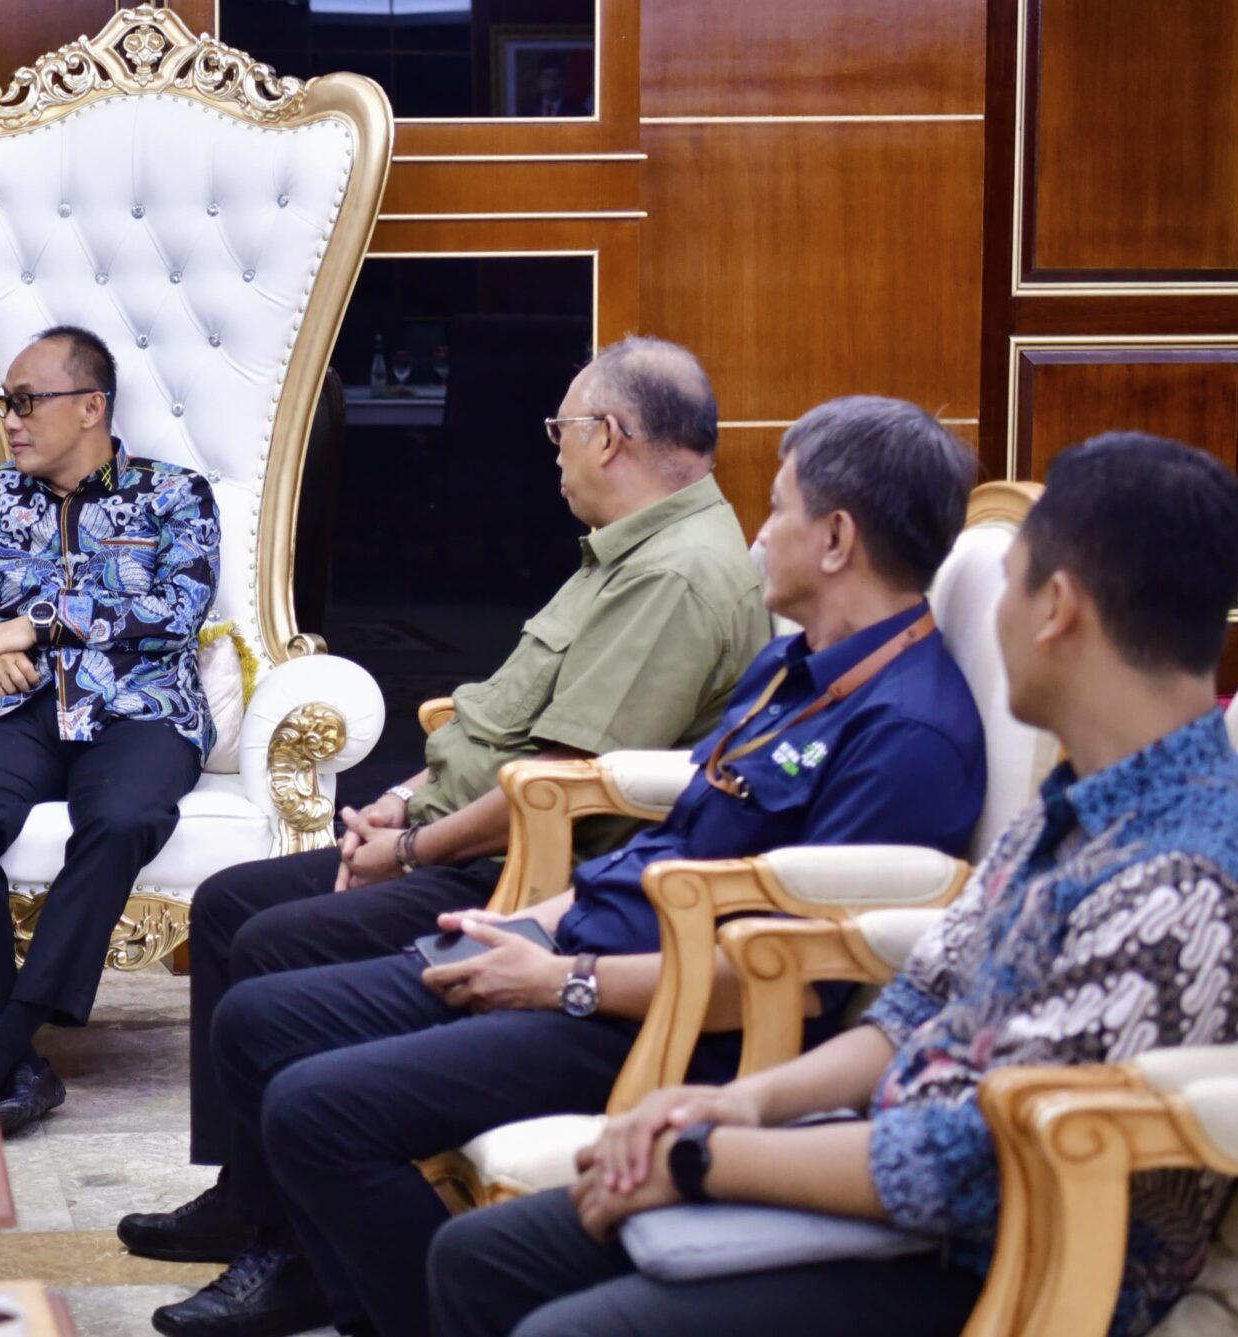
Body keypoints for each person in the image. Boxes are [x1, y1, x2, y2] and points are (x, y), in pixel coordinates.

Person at [145, 395, 989, 1337]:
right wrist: (530, 923)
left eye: (781, 508)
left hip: (659, 1015)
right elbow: (674, 845)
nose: (759, 531)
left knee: (315, 1111)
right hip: (574, 943)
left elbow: (786, 975)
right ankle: (362, 1297)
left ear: (835, 539)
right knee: (259, 1020)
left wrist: (561, 980)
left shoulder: (905, 736)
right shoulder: (795, 669)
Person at [428, 433, 1238, 1337]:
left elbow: (976, 1166)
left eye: (1011, 584)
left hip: (1008, 1263)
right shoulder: (1080, 799)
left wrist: (706, 1156)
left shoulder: (1184, 880)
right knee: (480, 1257)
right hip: (895, 1186)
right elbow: (918, 1002)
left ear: (1057, 610)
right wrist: (742, 1102)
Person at [123, 336, 768, 1263]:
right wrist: (399, 800)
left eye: (561, 426)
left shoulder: (672, 576)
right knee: (230, 902)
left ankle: (292, 1252)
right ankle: (249, 1197)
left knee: (271, 939)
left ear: (610, 435)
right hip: (463, 829)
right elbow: (500, 721)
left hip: (524, 867)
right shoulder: (624, 551)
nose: (554, 448)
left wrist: (410, 851)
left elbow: (556, 779)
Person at [0, 325, 220, 1135]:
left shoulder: (174, 494)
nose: (11, 420)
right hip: (24, 710)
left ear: (91, 407)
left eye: (26, 401)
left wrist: (36, 623)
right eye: (5, 404)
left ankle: (7, 1042)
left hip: (141, 709)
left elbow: (176, 610)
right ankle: (16, 1062)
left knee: (121, 818)